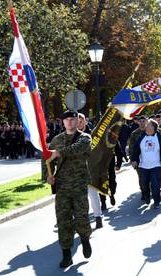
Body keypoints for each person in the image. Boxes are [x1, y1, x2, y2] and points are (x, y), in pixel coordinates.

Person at [47, 110, 92, 268]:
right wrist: (48, 176)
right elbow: (47, 158)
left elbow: (78, 149)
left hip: (79, 185)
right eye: (66, 120)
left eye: (73, 119)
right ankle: (66, 254)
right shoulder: (56, 140)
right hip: (62, 187)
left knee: (81, 217)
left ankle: (85, 239)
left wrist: (58, 153)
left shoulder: (84, 138)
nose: (70, 122)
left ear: (78, 121)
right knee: (63, 221)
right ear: (63, 122)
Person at [131, 120, 161, 208]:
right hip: (143, 166)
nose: (146, 126)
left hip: (156, 165)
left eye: (148, 125)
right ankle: (147, 196)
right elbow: (135, 149)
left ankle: (157, 201)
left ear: (153, 128)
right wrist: (134, 160)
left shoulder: (159, 137)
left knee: (155, 184)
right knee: (144, 184)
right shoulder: (142, 137)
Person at [78, 113, 103, 229]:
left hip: (90, 170)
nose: (79, 122)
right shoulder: (71, 135)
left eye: (81, 120)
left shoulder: (92, 135)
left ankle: (98, 217)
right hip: (77, 172)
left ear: (85, 122)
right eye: (77, 120)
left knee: (93, 195)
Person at [128, 115, 148, 200]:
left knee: (149, 177)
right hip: (139, 159)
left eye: (144, 121)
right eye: (141, 121)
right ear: (138, 122)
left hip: (150, 158)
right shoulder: (134, 133)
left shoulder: (150, 131)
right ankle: (144, 192)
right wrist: (132, 160)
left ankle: (148, 191)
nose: (142, 123)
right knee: (141, 177)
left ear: (147, 122)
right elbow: (131, 147)